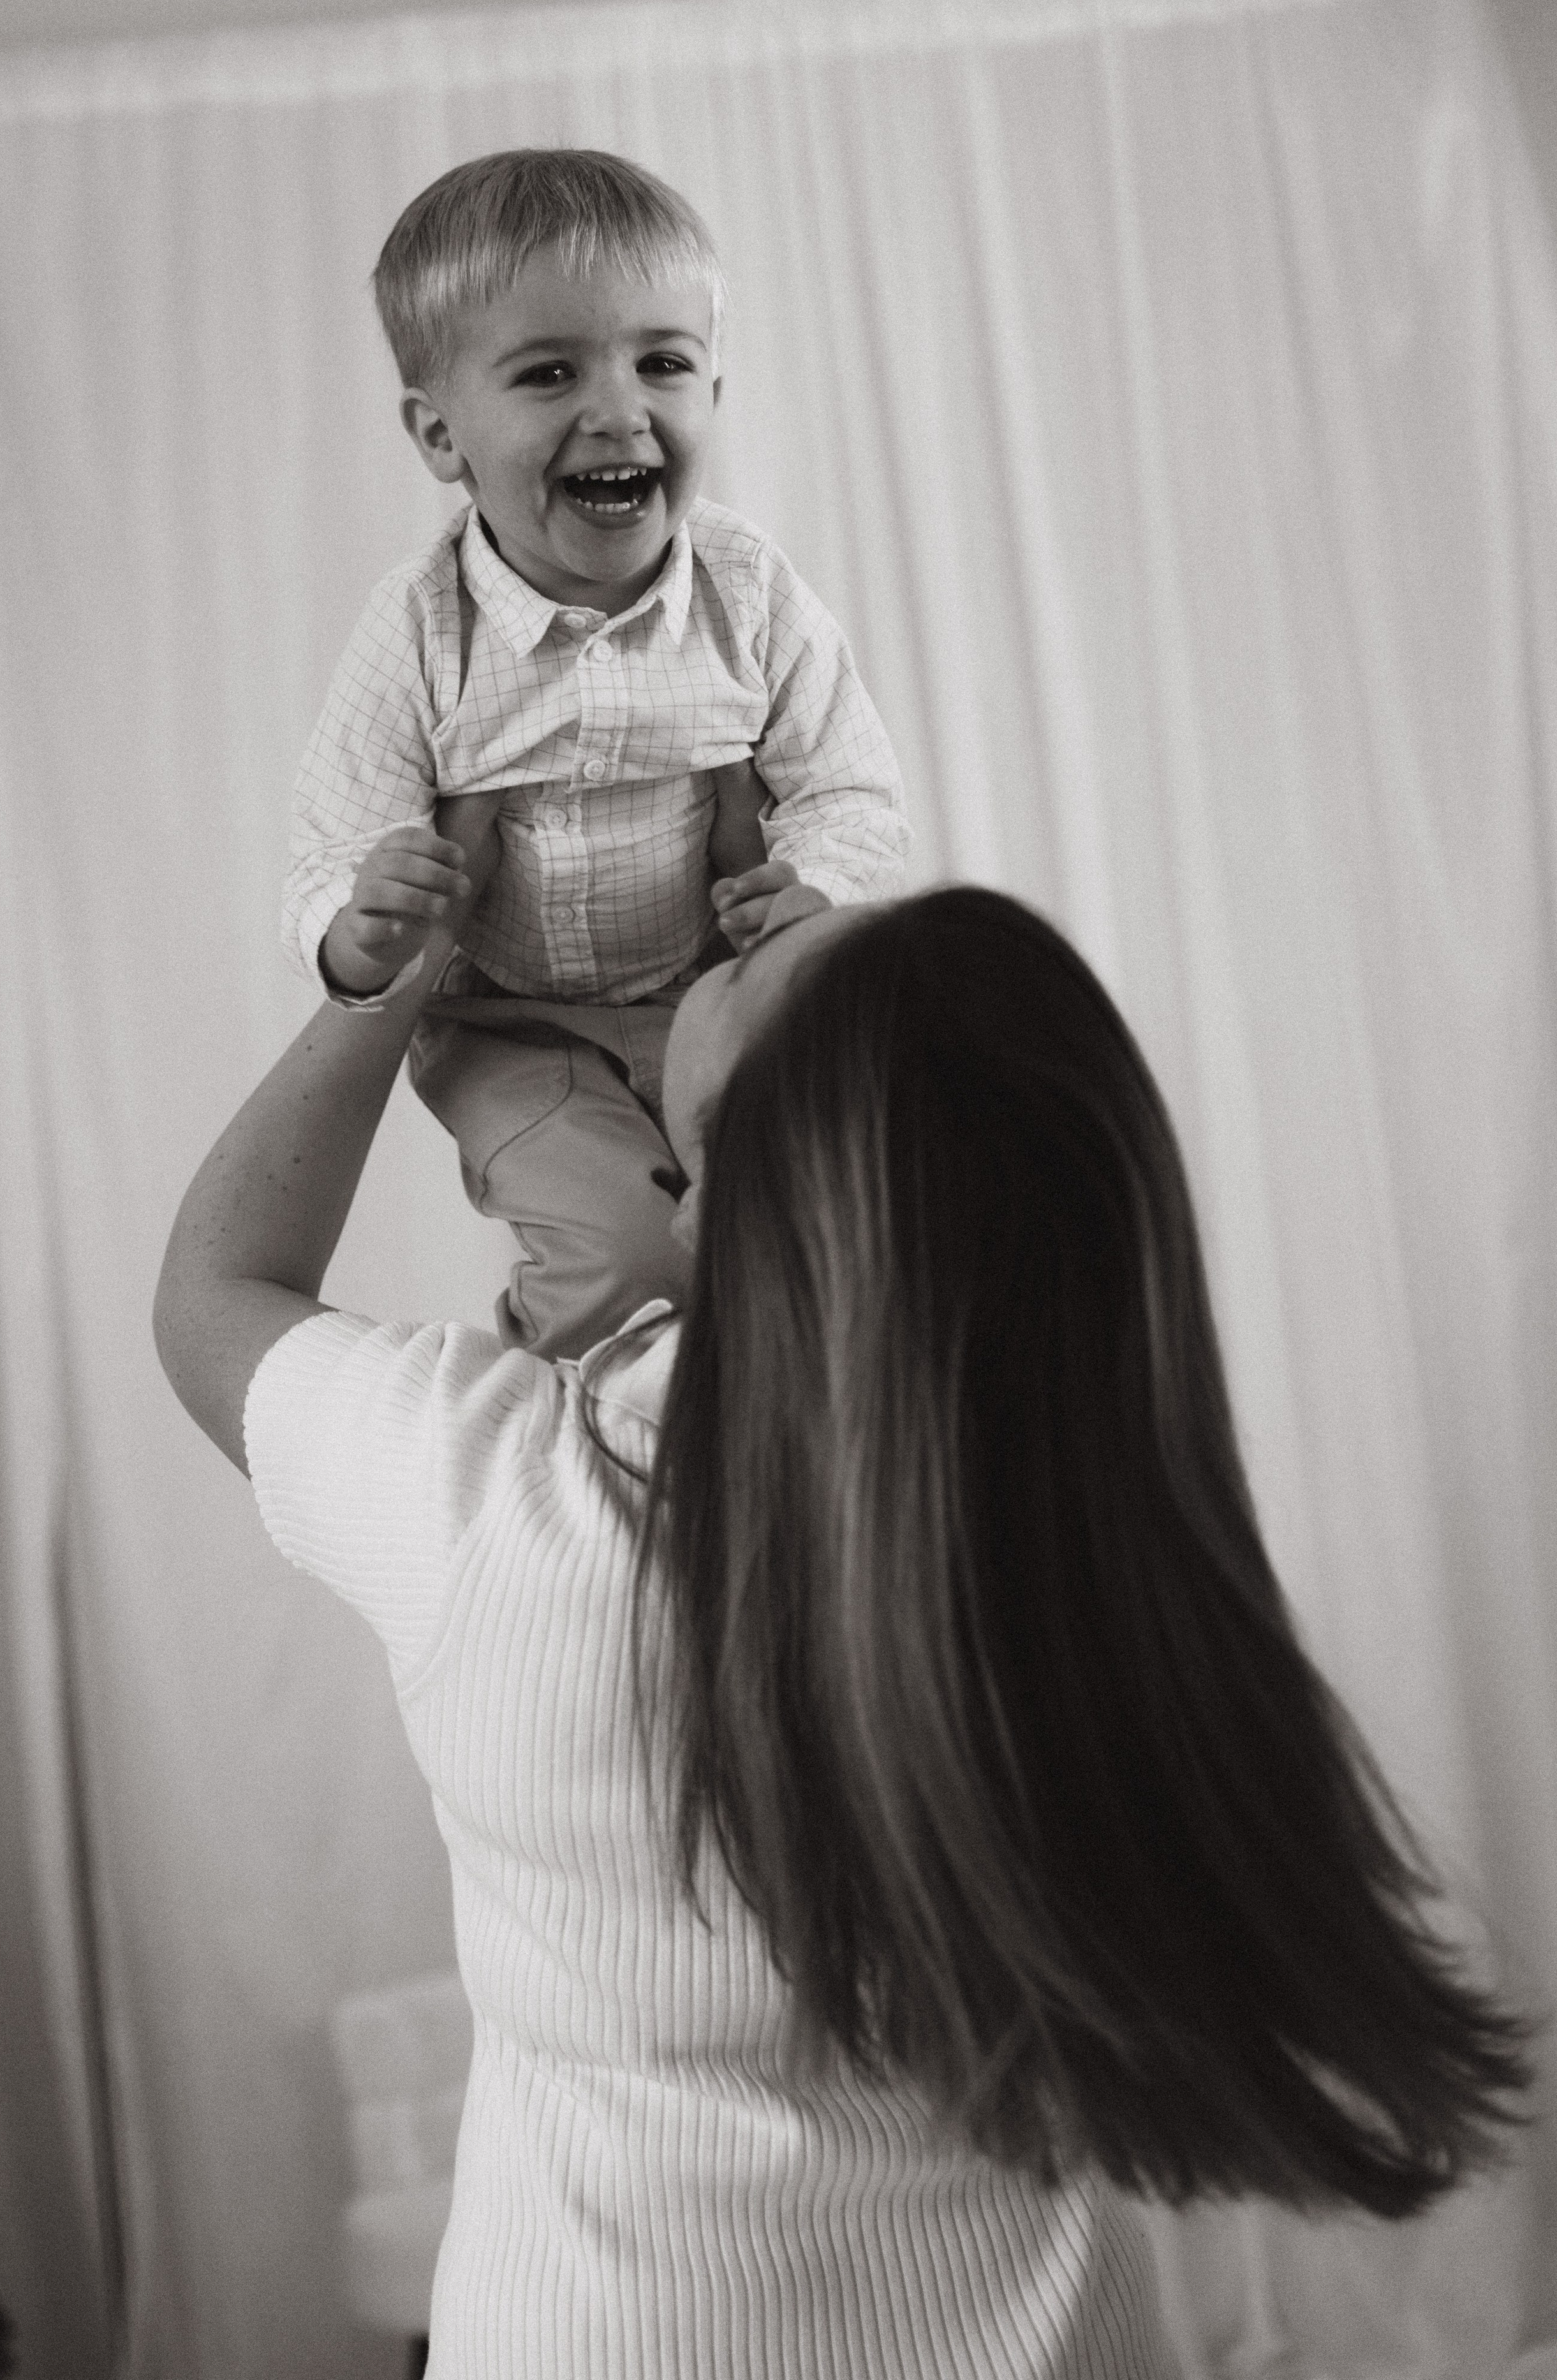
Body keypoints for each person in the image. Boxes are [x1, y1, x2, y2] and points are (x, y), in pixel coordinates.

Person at [156, 869, 1535, 2378]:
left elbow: (219, 1288)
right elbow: (952, 1152)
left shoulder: (499, 1503)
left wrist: (386, 988)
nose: (752, 923)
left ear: (746, 1157)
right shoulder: (1104, 1568)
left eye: (764, 965)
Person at [283, 147, 910, 1363]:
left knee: (800, 1242)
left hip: (715, 1002)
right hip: (511, 1031)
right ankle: (566, 1444)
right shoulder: (419, 630)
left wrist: (822, 881)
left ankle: (764, 1444)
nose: (620, 410)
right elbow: (337, 840)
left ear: (714, 394)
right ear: (440, 434)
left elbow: (850, 785)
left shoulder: (752, 592)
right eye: (551, 371)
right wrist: (355, 933)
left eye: (662, 363)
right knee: (627, 1254)